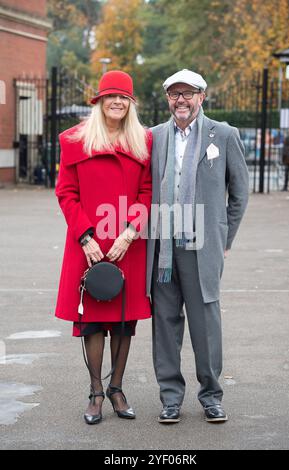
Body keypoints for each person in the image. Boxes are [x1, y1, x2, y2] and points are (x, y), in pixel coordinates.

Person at [146, 69, 249, 423]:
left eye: (188, 93)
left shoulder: (223, 134)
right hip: (162, 245)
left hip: (201, 244)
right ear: (168, 100)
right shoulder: (155, 137)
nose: (181, 100)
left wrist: (225, 237)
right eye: (174, 94)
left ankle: (211, 395)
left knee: (205, 323)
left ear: (201, 97)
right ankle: (171, 398)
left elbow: (239, 192)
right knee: (165, 323)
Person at [55, 70, 152, 425]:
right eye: (110, 97)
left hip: (128, 244)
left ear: (130, 104)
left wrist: (130, 232)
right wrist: (85, 237)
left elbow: (147, 193)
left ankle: (117, 388)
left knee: (124, 321)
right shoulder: (75, 140)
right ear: (98, 101)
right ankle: (96, 390)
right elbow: (66, 192)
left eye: (123, 98)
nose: (117, 102)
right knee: (93, 321)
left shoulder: (143, 141)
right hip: (88, 244)